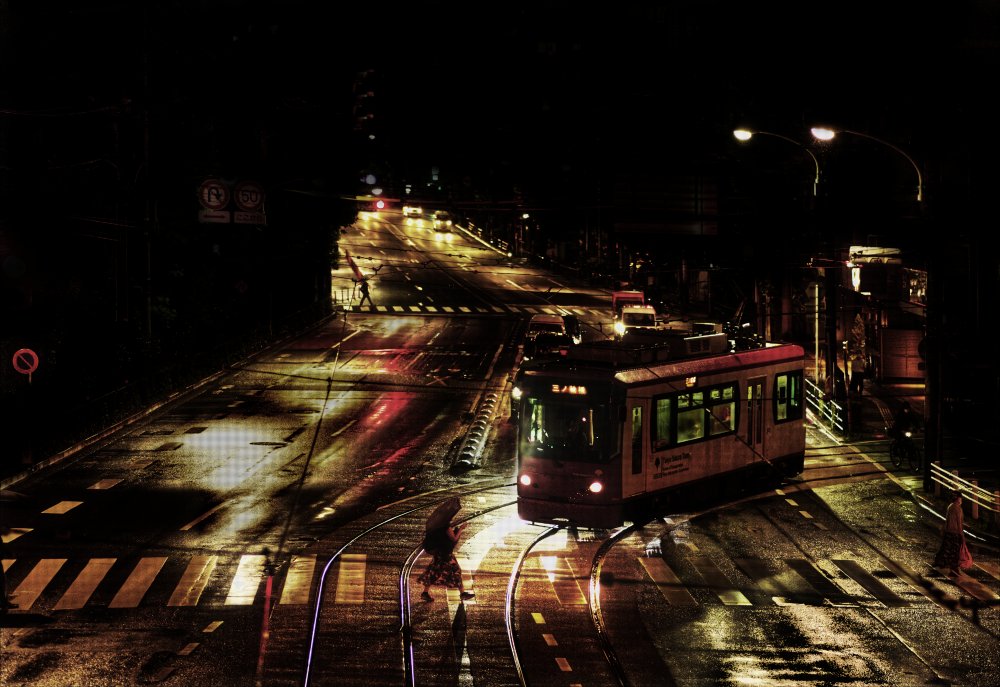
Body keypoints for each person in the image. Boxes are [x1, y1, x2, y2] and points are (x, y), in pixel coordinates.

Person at [418, 521, 474, 601]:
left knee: (434, 573)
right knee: (456, 572)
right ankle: (462, 594)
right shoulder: (446, 527)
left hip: (439, 554)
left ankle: (425, 593)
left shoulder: (437, 525)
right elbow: (454, 539)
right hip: (447, 555)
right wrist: (461, 529)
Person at [934, 491, 974, 576]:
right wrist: (962, 535)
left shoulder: (950, 506)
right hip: (955, 533)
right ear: (958, 499)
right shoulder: (958, 508)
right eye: (961, 498)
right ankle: (954, 569)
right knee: (955, 552)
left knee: (947, 550)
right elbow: (959, 523)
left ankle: (942, 564)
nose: (961, 499)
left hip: (948, 532)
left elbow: (947, 520)